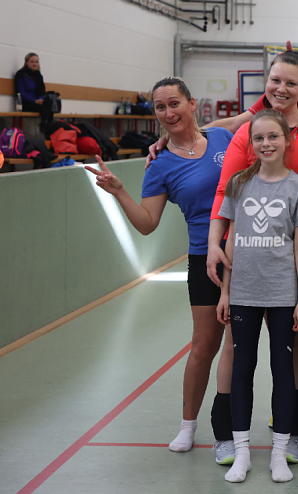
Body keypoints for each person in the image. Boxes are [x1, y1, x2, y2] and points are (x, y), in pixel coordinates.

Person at [85, 77, 236, 464]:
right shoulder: (160, 164)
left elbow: (264, 117)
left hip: (250, 254)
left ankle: (268, 426)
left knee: (247, 347)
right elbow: (147, 222)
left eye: (174, 103)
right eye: (160, 107)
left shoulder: (222, 137)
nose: (168, 113)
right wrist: (119, 190)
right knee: (204, 346)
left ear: (192, 104)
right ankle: (187, 426)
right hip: (205, 259)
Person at [208, 50, 298, 462]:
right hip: (251, 256)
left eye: (291, 83)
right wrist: (216, 242)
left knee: (295, 344)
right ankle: (227, 432)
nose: (281, 89)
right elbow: (225, 190)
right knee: (236, 348)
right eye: (275, 80)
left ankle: (297, 428)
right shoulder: (249, 128)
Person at [216, 109, 298, 483]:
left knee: (282, 370)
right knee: (242, 370)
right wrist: (226, 290)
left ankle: (278, 451)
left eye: (273, 136)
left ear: (287, 140)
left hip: (282, 293)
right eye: (259, 138)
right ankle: (242, 452)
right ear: (251, 144)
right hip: (243, 293)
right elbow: (232, 240)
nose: (266, 144)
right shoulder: (240, 184)